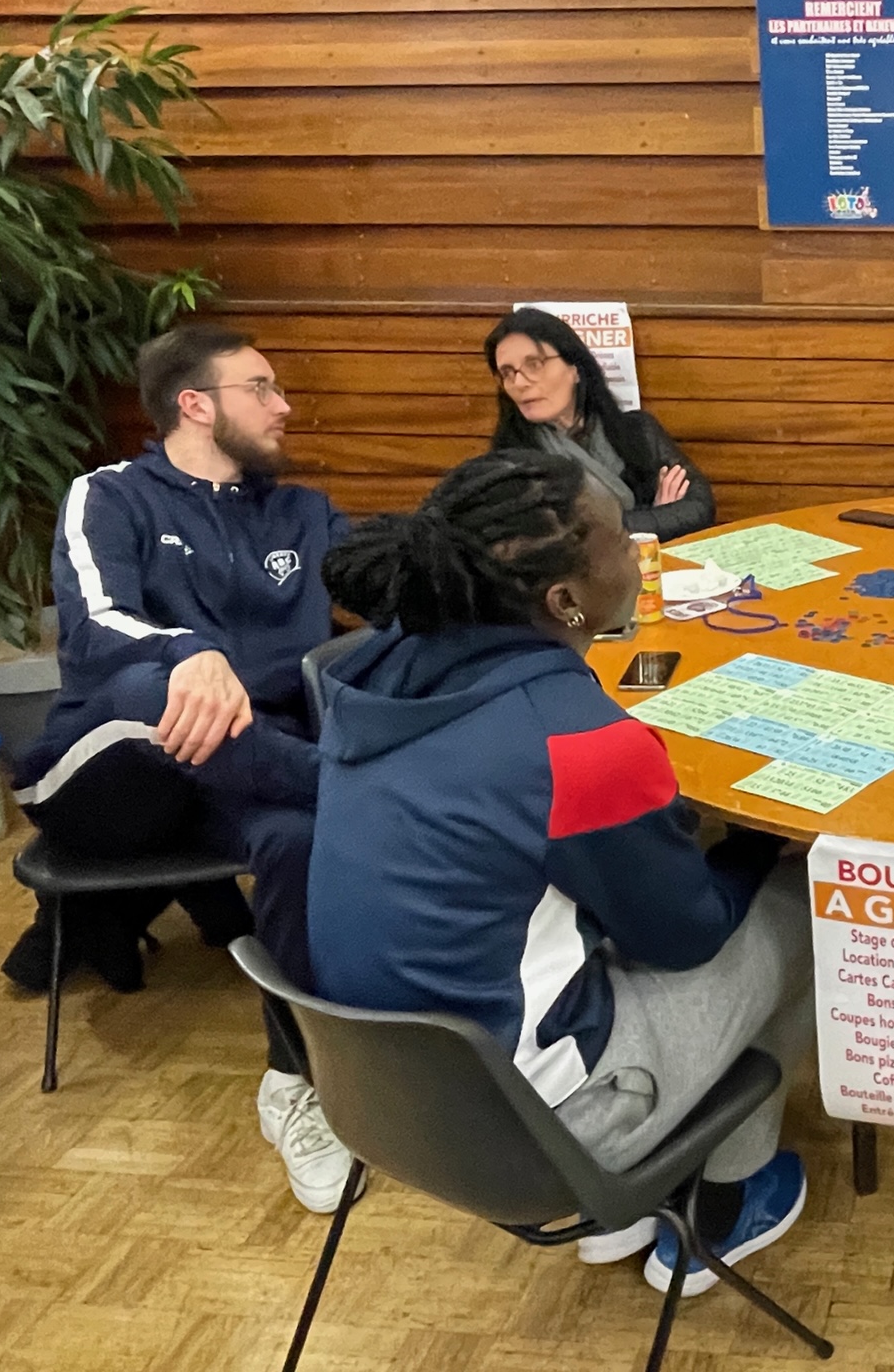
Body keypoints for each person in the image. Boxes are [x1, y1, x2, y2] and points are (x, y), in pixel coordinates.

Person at [309, 450, 811, 1296]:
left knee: (618, 900)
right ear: (565, 600)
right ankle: (724, 1199)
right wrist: (758, 844)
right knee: (799, 905)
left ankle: (670, 1171)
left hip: (379, 1099)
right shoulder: (575, 740)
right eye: (620, 536)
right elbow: (687, 939)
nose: (640, 548)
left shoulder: (372, 670)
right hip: (545, 1131)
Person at [2, 322, 357, 1213]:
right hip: (108, 774)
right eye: (262, 388)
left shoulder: (304, 513)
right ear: (195, 404)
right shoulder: (110, 495)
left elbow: (394, 588)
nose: (284, 406)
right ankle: (365, 788)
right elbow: (93, 624)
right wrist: (189, 652)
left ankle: (292, 1082)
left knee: (300, 835)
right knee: (154, 693)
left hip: (251, 771)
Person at [486, 307, 715, 540]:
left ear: (575, 368)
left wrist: (629, 526)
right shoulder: (510, 465)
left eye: (534, 364)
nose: (519, 383)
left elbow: (699, 507)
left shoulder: (637, 430)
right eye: (507, 373)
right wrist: (657, 518)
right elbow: (567, 536)